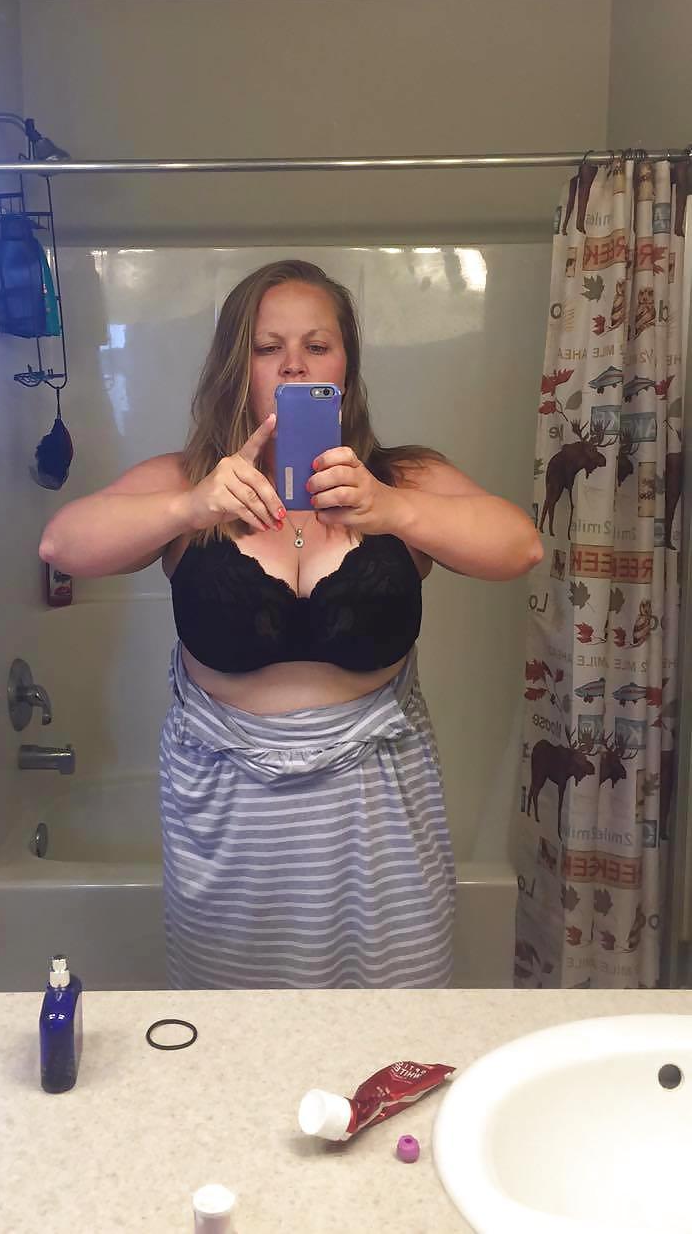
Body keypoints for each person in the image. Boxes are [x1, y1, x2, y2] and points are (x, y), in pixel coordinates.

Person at [40, 259, 542, 989]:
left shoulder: (401, 479)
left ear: (347, 365)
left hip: (379, 828)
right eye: (268, 347)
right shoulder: (187, 481)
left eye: (318, 345)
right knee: (238, 1037)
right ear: (235, 366)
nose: (294, 364)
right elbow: (62, 545)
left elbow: (520, 547)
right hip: (230, 833)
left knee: (389, 1029)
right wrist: (193, 507)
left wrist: (393, 509)